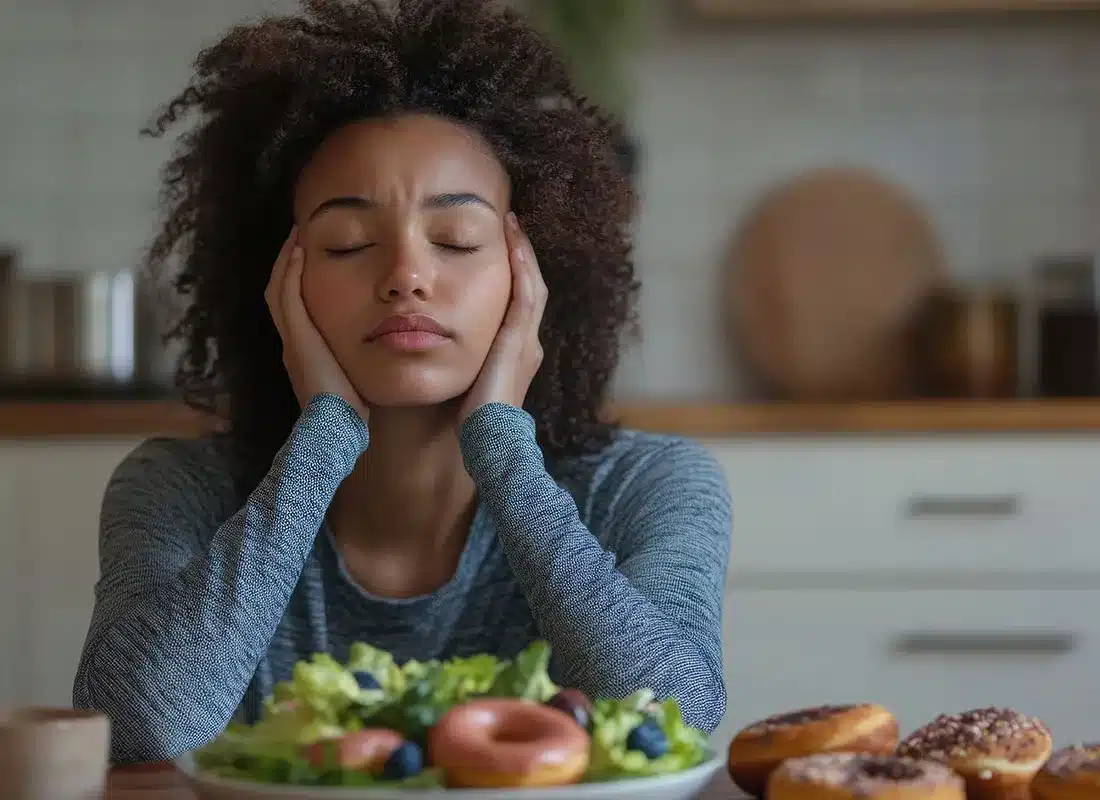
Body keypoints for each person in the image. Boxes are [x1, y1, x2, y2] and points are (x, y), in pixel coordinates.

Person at [72, 0, 732, 764]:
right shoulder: (175, 488)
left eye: (455, 239)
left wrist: (501, 447)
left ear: (535, 272)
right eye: (349, 244)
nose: (407, 277)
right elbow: (137, 726)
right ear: (278, 281)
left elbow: (672, 716)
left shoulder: (650, 485)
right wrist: (324, 434)